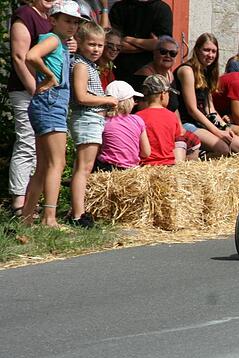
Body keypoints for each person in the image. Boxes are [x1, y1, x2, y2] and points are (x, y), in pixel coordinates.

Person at [22, 1, 85, 227]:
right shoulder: (52, 39)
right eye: (67, 21)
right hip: (51, 104)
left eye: (75, 23)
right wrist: (49, 76)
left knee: (43, 166)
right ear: (53, 20)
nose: (72, 26)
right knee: (56, 164)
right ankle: (49, 218)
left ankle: (27, 218)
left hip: (46, 104)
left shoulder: (59, 42)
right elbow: (31, 56)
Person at [68, 21, 118, 228]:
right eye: (91, 44)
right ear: (79, 43)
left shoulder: (88, 65)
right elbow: (81, 96)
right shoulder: (81, 65)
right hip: (87, 118)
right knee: (84, 168)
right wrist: (107, 100)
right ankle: (79, 215)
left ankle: (76, 209)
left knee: (84, 167)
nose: (96, 49)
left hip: (92, 119)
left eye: (100, 45)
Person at [7, 0, 54, 216]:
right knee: (26, 142)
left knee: (41, 147)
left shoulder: (51, 18)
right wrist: (35, 89)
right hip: (27, 90)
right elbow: (19, 57)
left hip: (46, 92)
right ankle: (19, 201)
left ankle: (32, 202)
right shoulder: (25, 14)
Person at [175, 33, 239, 155]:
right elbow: (192, 110)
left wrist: (225, 127)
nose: (210, 55)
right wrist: (218, 132)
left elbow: (210, 109)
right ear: (197, 50)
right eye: (206, 50)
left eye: (214, 51)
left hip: (202, 122)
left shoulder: (207, 72)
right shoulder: (187, 71)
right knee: (222, 149)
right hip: (187, 122)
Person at [109, 0, 172, 81]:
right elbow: (116, 45)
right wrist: (150, 45)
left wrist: (131, 40)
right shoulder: (119, 7)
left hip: (151, 74)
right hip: (120, 72)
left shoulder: (162, 9)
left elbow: (164, 45)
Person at [97, 80, 151, 170]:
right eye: (133, 99)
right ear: (128, 101)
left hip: (108, 169)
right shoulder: (137, 120)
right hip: (131, 169)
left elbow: (97, 149)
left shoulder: (103, 121)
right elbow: (146, 152)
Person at [137, 74, 187, 165]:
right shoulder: (172, 116)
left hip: (145, 166)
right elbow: (177, 140)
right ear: (163, 95)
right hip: (168, 165)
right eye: (168, 93)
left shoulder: (137, 117)